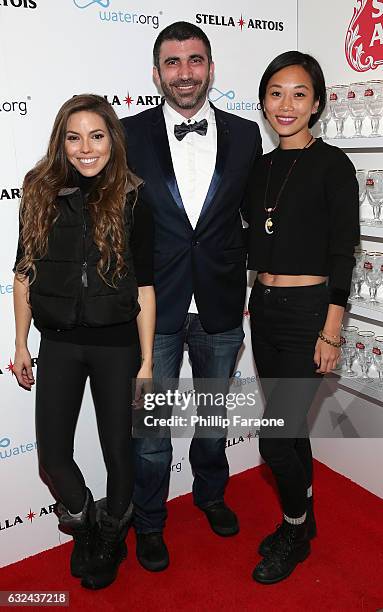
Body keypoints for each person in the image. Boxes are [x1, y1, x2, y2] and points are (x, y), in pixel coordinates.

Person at [121, 21, 262, 572]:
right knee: (151, 429)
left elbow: (256, 216)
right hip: (154, 307)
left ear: (210, 68)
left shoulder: (246, 134)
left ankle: (209, 494)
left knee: (212, 416)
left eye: (195, 60)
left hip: (223, 304)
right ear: (156, 73)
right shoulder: (127, 134)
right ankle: (150, 520)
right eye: (173, 62)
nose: (185, 73)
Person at [12, 94, 155, 589]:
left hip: (118, 345)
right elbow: (24, 274)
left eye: (97, 136)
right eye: (74, 137)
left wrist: (146, 362)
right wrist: (20, 343)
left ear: (112, 140)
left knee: (120, 451)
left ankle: (114, 533)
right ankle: (87, 522)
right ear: (61, 141)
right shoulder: (38, 191)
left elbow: (145, 286)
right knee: (53, 454)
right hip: (58, 341)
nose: (86, 148)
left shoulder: (134, 195)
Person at [246, 51, 359, 583]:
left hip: (309, 313)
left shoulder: (333, 164)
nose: (285, 104)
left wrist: (331, 329)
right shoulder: (261, 167)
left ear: (316, 104)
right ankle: (305, 518)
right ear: (263, 101)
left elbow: (343, 252)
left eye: (298, 94)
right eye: (276, 93)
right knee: (289, 433)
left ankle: (293, 529)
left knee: (273, 438)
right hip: (263, 311)